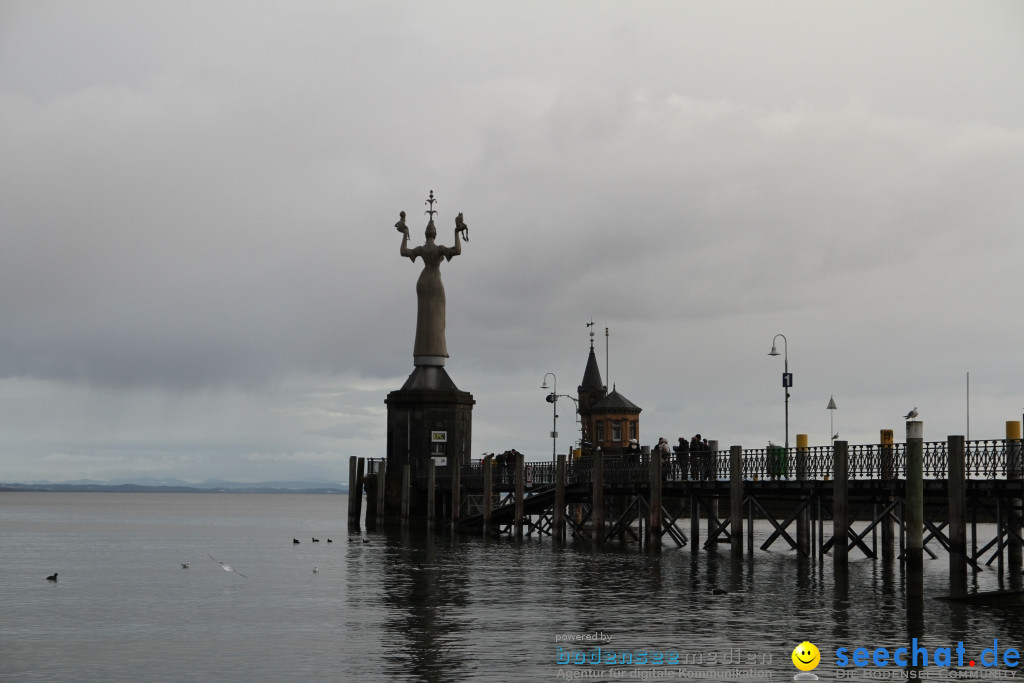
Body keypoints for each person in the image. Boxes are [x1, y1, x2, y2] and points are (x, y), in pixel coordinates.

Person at [396, 210, 465, 361]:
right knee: (438, 316)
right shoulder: (439, 248)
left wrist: (405, 233)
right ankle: (438, 350)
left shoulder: (421, 249)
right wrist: (456, 232)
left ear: (426, 234)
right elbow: (457, 251)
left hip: (422, 281)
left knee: (423, 316)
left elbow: (403, 251)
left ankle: (422, 349)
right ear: (435, 234)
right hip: (434, 282)